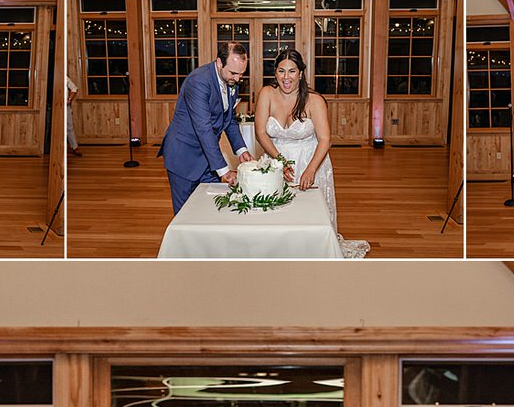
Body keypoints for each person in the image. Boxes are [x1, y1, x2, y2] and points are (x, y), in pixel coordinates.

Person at [254, 48, 369, 259]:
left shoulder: (314, 100)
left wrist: (311, 170)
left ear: (300, 73)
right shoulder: (266, 94)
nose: (286, 77)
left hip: (309, 159)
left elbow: (325, 139)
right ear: (275, 72)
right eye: (281, 71)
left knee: (308, 215)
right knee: (277, 213)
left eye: (292, 71)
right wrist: (279, 160)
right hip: (275, 158)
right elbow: (260, 132)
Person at [158, 42, 254, 215]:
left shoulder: (231, 81)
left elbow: (229, 120)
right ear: (219, 62)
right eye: (233, 73)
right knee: (185, 215)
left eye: (241, 74)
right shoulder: (198, 81)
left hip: (209, 159)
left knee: (213, 209)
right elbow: (204, 129)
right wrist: (224, 171)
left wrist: (241, 150)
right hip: (184, 157)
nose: (237, 79)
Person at [66, 74, 80, 156]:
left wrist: (69, 100)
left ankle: (75, 147)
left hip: (65, 106)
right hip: (54, 106)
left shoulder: (65, 78)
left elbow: (74, 89)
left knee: (69, 127)